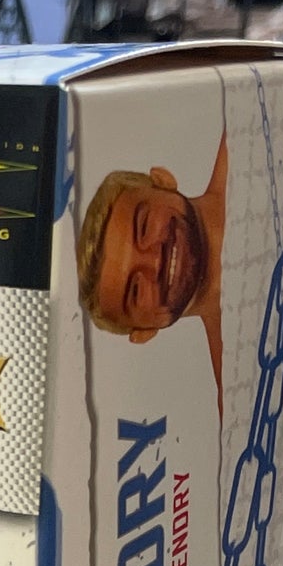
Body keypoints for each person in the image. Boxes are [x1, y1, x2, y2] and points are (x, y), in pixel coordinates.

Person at [76, 134, 228, 398]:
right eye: (135, 291)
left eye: (144, 227)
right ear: (144, 333)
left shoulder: (253, 131)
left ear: (163, 180)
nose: (155, 262)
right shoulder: (247, 400)